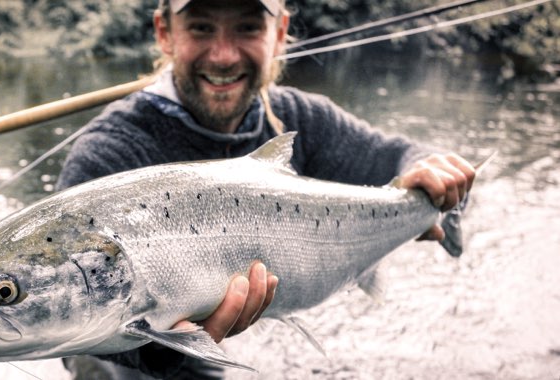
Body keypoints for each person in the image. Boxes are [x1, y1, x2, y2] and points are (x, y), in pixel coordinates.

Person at [56, 0, 476, 378]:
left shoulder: (301, 118)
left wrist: (432, 175)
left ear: (280, 33)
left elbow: (402, 155)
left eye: (248, 28)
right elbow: (71, 322)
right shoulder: (108, 151)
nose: (223, 56)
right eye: (201, 28)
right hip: (125, 358)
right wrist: (159, 350)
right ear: (165, 33)